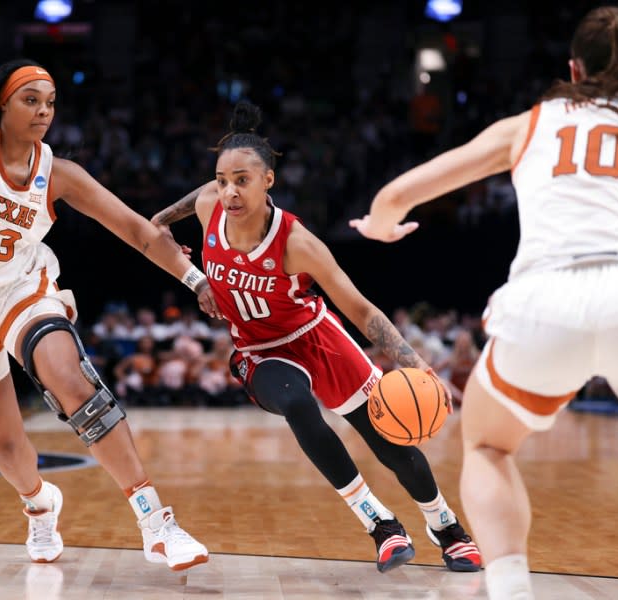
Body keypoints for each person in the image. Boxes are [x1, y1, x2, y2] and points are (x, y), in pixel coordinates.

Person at [350, 7, 618, 599]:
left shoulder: (529, 125)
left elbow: (397, 194)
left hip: (544, 303)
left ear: (574, 68)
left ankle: (512, 588)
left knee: (488, 446)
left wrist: (381, 226)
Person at [151, 100, 481, 574]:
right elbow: (188, 203)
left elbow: (361, 309)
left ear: (269, 180)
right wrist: (167, 229)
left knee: (388, 437)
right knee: (299, 406)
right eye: (223, 180)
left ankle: (445, 525)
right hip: (258, 351)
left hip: (316, 336)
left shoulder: (297, 243)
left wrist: (413, 362)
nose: (228, 192)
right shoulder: (208, 204)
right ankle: (380, 524)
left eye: (241, 180)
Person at [0, 57, 220, 570]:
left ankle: (156, 523)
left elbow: (139, 231)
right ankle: (39, 504)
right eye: (30, 101)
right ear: (3, 104)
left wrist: (196, 279)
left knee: (71, 380)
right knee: (7, 445)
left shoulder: (59, 174)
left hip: (18, 291)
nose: (43, 112)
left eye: (50, 103)